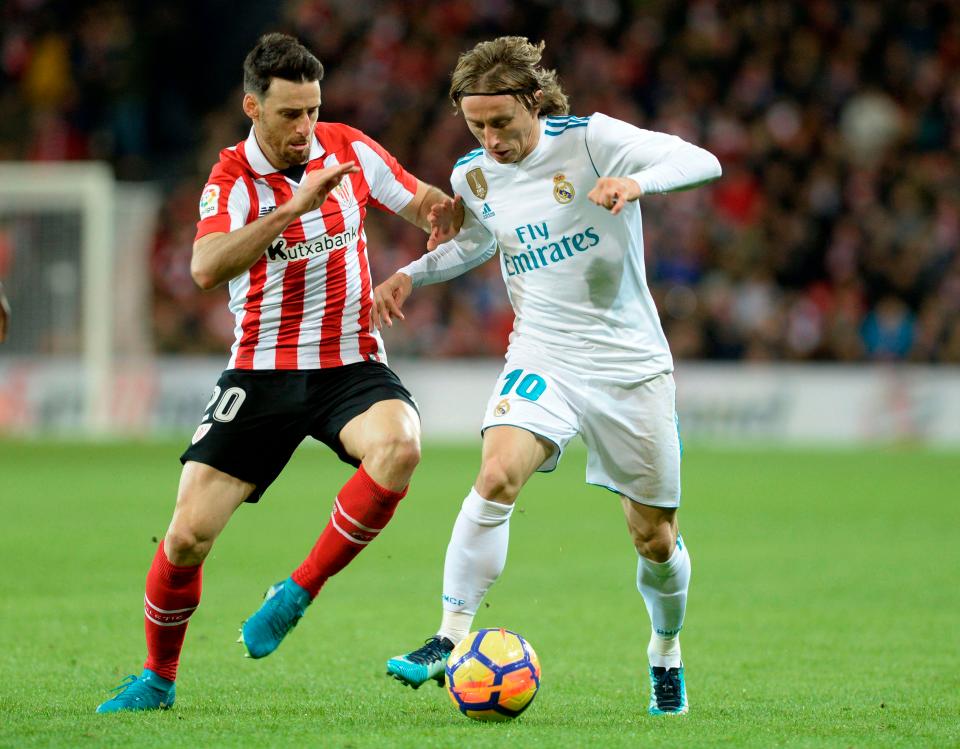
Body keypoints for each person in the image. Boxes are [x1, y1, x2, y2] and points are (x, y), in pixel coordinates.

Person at [96, 32, 461, 713]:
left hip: (349, 361)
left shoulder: (347, 149)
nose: (305, 127)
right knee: (186, 536)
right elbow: (206, 268)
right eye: (290, 114)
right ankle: (157, 676)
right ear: (252, 108)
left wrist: (455, 202)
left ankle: (297, 590)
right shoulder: (231, 178)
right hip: (262, 372)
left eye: (312, 111)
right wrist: (290, 209)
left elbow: (425, 203)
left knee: (401, 444)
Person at [375, 37, 721, 716]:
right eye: (477, 125)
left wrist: (636, 182)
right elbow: (478, 240)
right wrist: (410, 274)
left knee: (655, 538)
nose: (491, 138)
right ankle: (449, 635)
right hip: (543, 354)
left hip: (629, 366)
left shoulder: (591, 140)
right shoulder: (473, 174)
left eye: (501, 122)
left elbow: (700, 159)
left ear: (534, 101)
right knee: (497, 471)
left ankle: (665, 648)